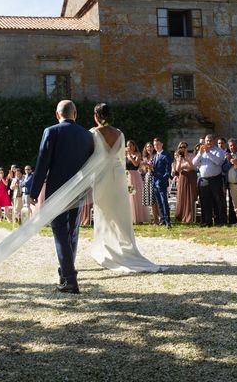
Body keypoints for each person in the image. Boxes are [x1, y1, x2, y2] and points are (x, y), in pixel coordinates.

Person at [88, 103, 162, 272]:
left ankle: (105, 249)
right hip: (118, 176)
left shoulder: (93, 133)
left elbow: (91, 156)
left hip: (101, 176)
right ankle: (122, 247)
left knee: (103, 213)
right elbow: (121, 159)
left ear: (96, 116)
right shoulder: (120, 134)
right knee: (119, 213)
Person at [30, 99, 94, 294]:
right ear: (75, 114)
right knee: (72, 233)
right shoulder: (87, 135)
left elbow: (43, 162)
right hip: (79, 189)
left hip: (57, 191)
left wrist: (34, 191)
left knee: (59, 233)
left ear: (58, 115)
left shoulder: (52, 131)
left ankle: (69, 279)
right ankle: (66, 273)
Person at [193, 134, 227, 227]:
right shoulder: (201, 151)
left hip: (215, 179)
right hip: (204, 180)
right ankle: (206, 221)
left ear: (214, 141)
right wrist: (200, 153)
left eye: (210, 140)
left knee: (218, 201)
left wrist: (208, 153)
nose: (208, 142)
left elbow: (219, 162)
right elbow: (194, 163)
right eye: (207, 141)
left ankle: (220, 221)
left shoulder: (218, 151)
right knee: (204, 201)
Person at [172, 141, 197, 223]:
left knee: (190, 196)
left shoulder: (192, 155)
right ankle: (181, 216)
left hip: (191, 176)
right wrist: (179, 160)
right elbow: (177, 170)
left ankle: (189, 217)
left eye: (184, 147)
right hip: (182, 177)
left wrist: (186, 159)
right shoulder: (178, 157)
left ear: (187, 147)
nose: (183, 148)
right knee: (182, 196)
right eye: (181, 147)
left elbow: (194, 167)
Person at [152, 138, 173, 228]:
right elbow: (155, 170)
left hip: (162, 182)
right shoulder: (155, 156)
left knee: (164, 201)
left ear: (161, 144)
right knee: (159, 202)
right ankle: (163, 220)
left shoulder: (166, 155)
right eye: (154, 145)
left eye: (157, 144)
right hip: (155, 181)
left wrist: (163, 180)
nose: (156, 146)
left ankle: (168, 221)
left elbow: (168, 171)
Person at [125, 140, 147, 224]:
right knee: (129, 197)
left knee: (135, 196)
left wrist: (130, 157)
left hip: (134, 177)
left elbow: (135, 165)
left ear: (134, 146)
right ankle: (130, 217)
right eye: (127, 146)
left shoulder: (137, 154)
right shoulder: (125, 155)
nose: (129, 147)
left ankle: (137, 217)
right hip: (127, 176)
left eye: (130, 145)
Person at [140, 142, 158, 224]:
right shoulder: (145, 158)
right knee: (150, 200)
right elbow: (144, 170)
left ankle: (157, 219)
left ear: (153, 148)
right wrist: (143, 166)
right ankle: (154, 219)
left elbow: (156, 169)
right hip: (147, 177)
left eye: (150, 146)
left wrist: (149, 166)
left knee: (155, 199)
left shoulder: (156, 156)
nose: (149, 148)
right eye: (147, 147)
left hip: (155, 177)